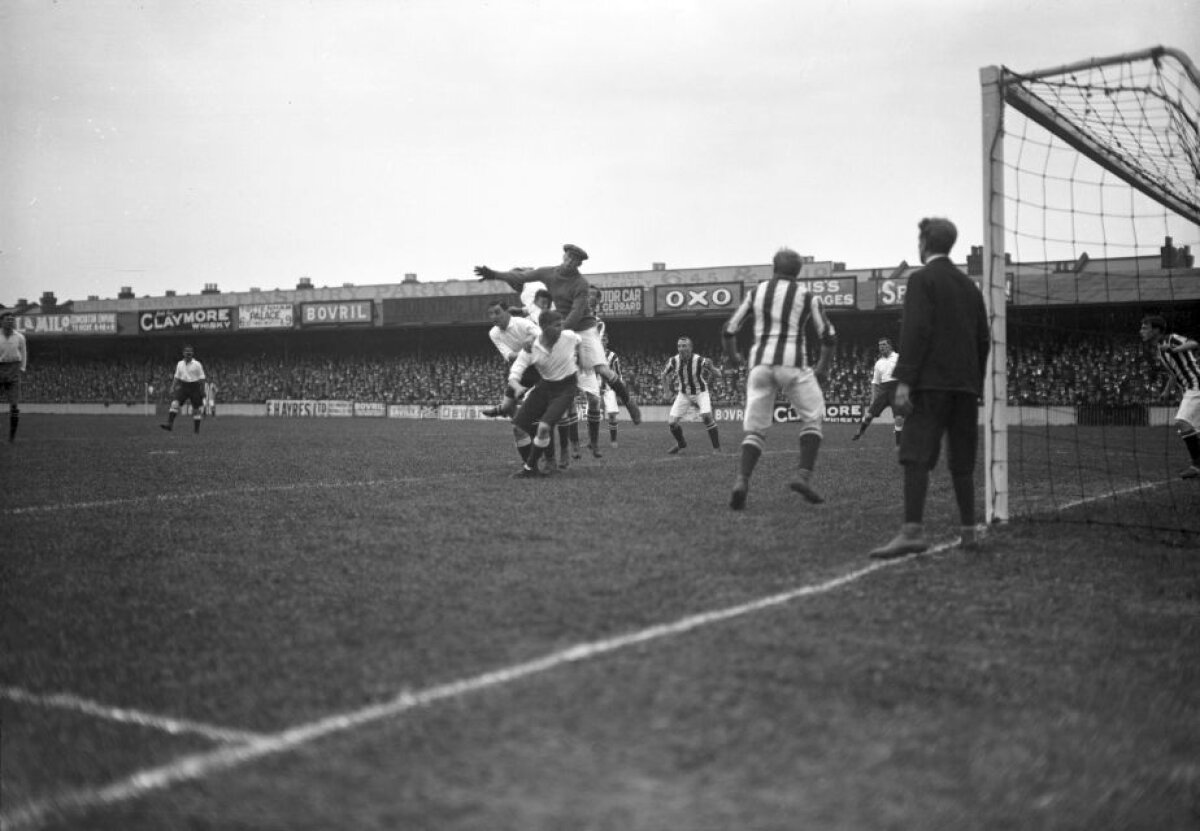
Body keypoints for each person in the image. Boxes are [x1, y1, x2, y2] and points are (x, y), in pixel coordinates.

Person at [870, 217, 990, 558]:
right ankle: (968, 532)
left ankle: (912, 532)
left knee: (915, 454)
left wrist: (904, 381)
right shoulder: (969, 287)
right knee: (962, 459)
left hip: (931, 385)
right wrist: (975, 384)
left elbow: (916, 330)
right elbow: (983, 339)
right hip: (965, 387)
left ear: (924, 242)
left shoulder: (922, 279)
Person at [475, 243, 642, 426]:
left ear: (579, 264)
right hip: (560, 326)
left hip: (583, 326)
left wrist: (559, 332)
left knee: (602, 369)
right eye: (568, 257)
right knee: (548, 369)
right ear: (564, 257)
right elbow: (522, 278)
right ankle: (517, 406)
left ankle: (629, 402)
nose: (570, 262)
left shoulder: (580, 284)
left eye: (574, 260)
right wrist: (494, 274)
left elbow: (576, 312)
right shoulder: (547, 274)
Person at [722, 248, 836, 510]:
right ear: (798, 271)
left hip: (760, 364)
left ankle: (742, 480)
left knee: (756, 429)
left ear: (773, 267)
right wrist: (822, 368)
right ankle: (802, 475)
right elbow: (829, 336)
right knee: (813, 417)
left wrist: (733, 357)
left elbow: (728, 329)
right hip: (792, 363)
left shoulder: (756, 293)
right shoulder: (806, 296)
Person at [483, 298, 559, 470]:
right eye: (490, 314)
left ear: (507, 312)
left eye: (497, 312)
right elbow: (509, 356)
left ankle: (550, 459)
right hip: (521, 370)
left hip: (540, 369)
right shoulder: (494, 333)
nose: (494, 317)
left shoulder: (522, 323)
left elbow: (543, 335)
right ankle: (507, 412)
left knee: (541, 420)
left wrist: (532, 338)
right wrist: (525, 350)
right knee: (509, 407)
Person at [507, 310, 583, 478]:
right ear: (544, 327)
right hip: (545, 386)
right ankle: (533, 468)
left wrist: (581, 361)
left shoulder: (568, 336)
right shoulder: (530, 349)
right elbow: (514, 374)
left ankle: (529, 469)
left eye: (561, 324)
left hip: (566, 387)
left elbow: (581, 340)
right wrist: (517, 387)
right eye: (557, 325)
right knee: (518, 428)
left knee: (543, 428)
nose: (561, 328)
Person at [1139, 314, 1200, 479]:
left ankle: (1196, 466)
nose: (1141, 331)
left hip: (1196, 385)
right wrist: (1166, 391)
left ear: (1156, 330)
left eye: (1145, 328)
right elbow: (1174, 373)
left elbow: (1194, 343)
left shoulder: (1171, 339)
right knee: (1194, 429)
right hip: (1189, 389)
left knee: (1182, 421)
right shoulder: (1160, 349)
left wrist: (1174, 349)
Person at [662, 336, 721, 454]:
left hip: (700, 392)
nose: (681, 348)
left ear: (690, 348)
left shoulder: (699, 360)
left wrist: (712, 367)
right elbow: (664, 374)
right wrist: (667, 392)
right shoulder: (673, 361)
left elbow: (718, 374)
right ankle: (681, 443)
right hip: (684, 394)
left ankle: (717, 449)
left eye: (684, 346)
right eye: (679, 346)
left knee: (706, 416)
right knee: (672, 423)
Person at [852, 337, 904, 445]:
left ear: (890, 346)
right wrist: (873, 398)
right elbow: (875, 382)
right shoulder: (879, 363)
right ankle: (860, 432)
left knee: (899, 417)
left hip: (896, 389)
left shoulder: (899, 357)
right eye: (880, 345)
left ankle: (899, 443)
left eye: (884, 344)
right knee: (868, 415)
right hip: (884, 390)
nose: (881, 347)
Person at [161, 345, 207, 434]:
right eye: (186, 352)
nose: (188, 354)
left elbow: (202, 378)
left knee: (196, 409)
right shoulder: (180, 364)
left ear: (192, 354)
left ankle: (196, 430)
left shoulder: (197, 364)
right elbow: (176, 377)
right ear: (183, 353)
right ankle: (169, 424)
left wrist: (203, 389)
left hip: (195, 386)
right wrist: (172, 387)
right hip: (184, 386)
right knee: (174, 403)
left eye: (190, 353)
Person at [0, 311, 28, 443]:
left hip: (14, 369)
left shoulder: (20, 337)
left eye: (12, 319)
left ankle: (12, 436)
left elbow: (24, 353)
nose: (10, 321)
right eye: (7, 319)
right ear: (1, 321)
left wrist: (22, 368)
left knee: (14, 405)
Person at [600, 332, 622, 447]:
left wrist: (619, 389)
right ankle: (591, 441)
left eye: (604, 340)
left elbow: (618, 373)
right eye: (600, 339)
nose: (602, 342)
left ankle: (613, 440)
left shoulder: (613, 356)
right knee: (592, 416)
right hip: (595, 389)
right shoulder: (592, 354)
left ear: (607, 341)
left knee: (612, 415)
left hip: (609, 389)